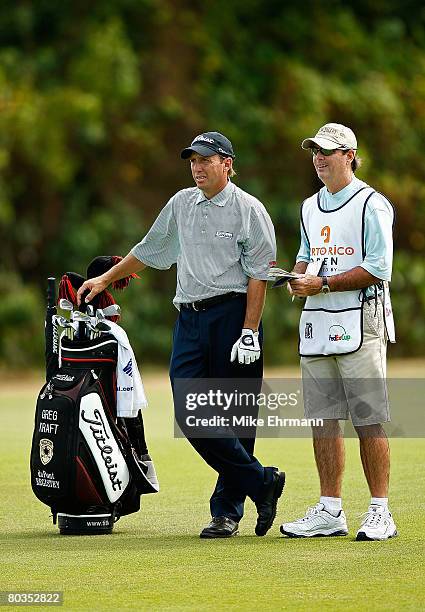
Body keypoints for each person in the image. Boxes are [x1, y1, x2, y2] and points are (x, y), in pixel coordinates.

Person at [77, 131, 285, 538]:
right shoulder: (181, 204)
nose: (197, 167)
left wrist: (249, 331)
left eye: (206, 160)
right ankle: (262, 482)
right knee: (191, 412)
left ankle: (226, 513)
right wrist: (104, 278)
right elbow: (150, 249)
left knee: (235, 418)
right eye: (192, 161)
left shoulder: (249, 210)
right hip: (190, 318)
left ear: (227, 163)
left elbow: (260, 274)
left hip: (234, 317)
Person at [279, 123, 397, 541]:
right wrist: (293, 277)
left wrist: (324, 284)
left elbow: (378, 269)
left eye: (328, 151)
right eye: (314, 151)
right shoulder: (309, 206)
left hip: (361, 322)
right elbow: (306, 256)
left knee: (369, 418)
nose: (319, 158)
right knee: (323, 419)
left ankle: (380, 510)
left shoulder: (372, 204)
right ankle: (330, 510)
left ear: (349, 155)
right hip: (317, 323)